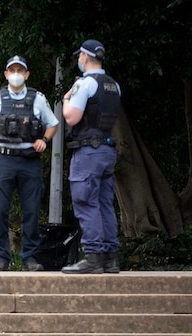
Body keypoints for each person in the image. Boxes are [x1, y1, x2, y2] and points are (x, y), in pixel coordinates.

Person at [0, 55, 59, 272]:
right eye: (13, 70)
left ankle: (29, 258)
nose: (17, 74)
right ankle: (1, 258)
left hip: (29, 161)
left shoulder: (38, 99)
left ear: (27, 74)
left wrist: (44, 140)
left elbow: (53, 124)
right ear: (6, 74)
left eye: (21, 70)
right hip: (4, 160)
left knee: (31, 211)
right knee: (0, 210)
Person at [61, 40, 122, 274]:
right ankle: (110, 259)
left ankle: (93, 257)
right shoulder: (113, 85)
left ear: (85, 57)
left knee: (86, 202)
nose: (79, 60)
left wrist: (67, 99)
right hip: (107, 150)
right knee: (105, 204)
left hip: (88, 151)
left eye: (80, 57)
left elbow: (72, 118)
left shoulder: (84, 84)